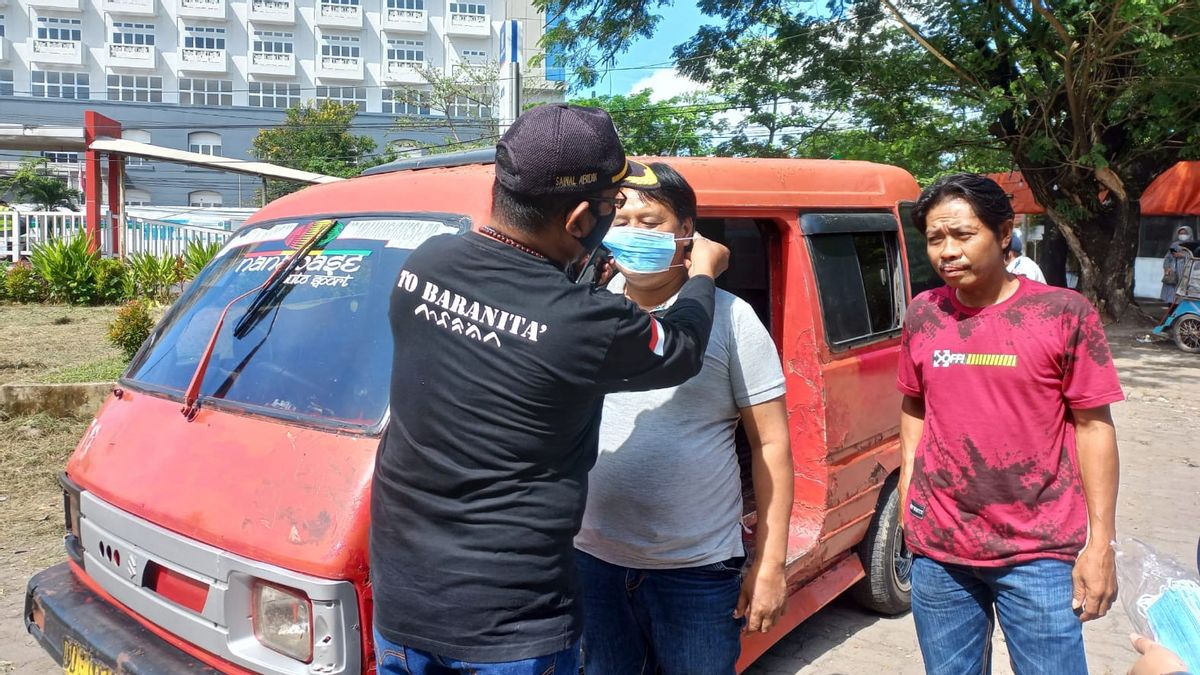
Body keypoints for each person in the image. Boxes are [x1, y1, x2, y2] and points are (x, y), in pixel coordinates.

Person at [369, 104, 731, 675]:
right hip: (511, 624)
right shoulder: (587, 322)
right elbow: (681, 349)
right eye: (615, 208)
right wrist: (705, 273)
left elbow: (512, 315)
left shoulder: (427, 262)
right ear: (581, 218)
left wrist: (578, 276)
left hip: (403, 604)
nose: (621, 221)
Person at [897, 173, 1124, 675]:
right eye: (935, 239)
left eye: (963, 234)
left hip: (1038, 551)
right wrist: (908, 492)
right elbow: (914, 406)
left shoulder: (1063, 313)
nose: (947, 251)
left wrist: (1100, 543)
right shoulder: (924, 313)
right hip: (940, 550)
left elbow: (1094, 426)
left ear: (1004, 233)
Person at [574, 163, 793, 675]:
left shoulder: (733, 318)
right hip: (592, 562)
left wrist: (769, 563)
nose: (630, 233)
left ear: (687, 234)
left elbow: (771, 447)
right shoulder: (586, 311)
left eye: (649, 223)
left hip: (696, 572)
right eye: (620, 220)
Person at [1161, 225, 1195, 304]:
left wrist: (1183, 255)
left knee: (1183, 294)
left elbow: (1195, 258)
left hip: (1186, 273)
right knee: (1171, 295)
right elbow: (1168, 257)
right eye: (1180, 233)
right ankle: (1171, 311)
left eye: (1184, 233)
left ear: (1190, 233)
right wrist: (1166, 268)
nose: (1182, 235)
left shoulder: (1194, 245)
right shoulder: (1174, 245)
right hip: (1173, 273)